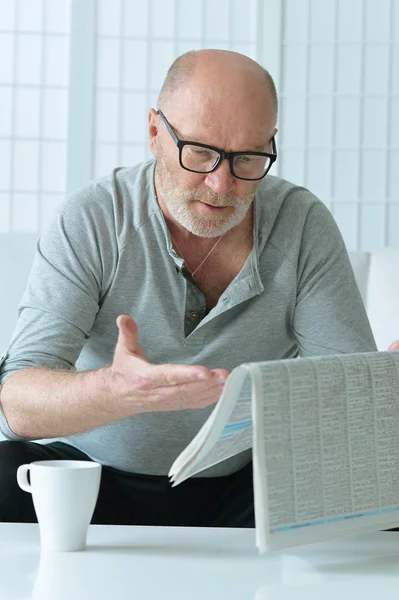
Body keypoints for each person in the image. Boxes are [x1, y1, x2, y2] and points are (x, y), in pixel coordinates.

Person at [0, 49, 376, 527]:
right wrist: (116, 392)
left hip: (242, 488)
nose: (222, 185)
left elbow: (347, 399)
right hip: (92, 478)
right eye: (200, 152)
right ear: (156, 133)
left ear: (271, 143)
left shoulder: (302, 225)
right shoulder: (92, 218)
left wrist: (379, 391)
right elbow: (15, 404)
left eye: (247, 158)